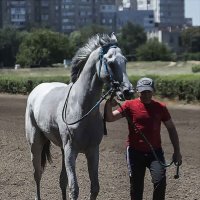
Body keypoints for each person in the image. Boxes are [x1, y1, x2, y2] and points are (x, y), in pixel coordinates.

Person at [105, 77, 182, 200]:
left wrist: (177, 151)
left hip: (155, 153)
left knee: (160, 183)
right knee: (136, 188)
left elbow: (171, 129)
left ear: (153, 91)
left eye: (148, 92)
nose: (146, 95)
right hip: (135, 153)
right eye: (143, 92)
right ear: (137, 91)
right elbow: (110, 118)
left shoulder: (160, 107)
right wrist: (108, 104)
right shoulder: (129, 105)